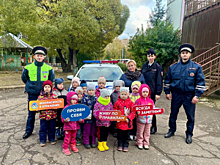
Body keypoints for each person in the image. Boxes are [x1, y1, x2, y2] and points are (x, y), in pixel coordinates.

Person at [164, 43, 205, 144]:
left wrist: (197, 95)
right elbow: (167, 81)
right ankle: (171, 130)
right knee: (173, 114)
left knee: (190, 116)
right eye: (183, 53)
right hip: (176, 94)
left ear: (190, 54)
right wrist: (167, 92)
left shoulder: (196, 67)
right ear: (180, 55)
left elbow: (200, 82)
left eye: (187, 53)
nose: (184, 55)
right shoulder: (173, 67)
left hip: (189, 95)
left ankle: (189, 134)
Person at [21, 46, 55, 139]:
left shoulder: (48, 68)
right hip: (32, 94)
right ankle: (28, 131)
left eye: (41, 56)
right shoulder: (28, 67)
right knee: (31, 113)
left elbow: (51, 80)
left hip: (45, 95)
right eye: (37, 55)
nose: (39, 57)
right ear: (34, 56)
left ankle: (47, 131)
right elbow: (24, 78)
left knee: (47, 113)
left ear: (44, 57)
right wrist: (31, 86)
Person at [141, 48, 163, 134]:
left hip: (152, 92)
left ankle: (153, 126)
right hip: (144, 91)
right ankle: (144, 126)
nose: (150, 57)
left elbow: (159, 81)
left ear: (155, 56)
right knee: (143, 109)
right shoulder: (144, 66)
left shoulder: (157, 67)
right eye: (149, 56)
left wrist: (158, 93)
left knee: (151, 109)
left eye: (152, 56)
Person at [114, 87, 135, 152]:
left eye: (125, 94)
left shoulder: (131, 103)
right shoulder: (117, 102)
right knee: (120, 135)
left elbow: (133, 112)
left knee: (127, 135)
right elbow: (115, 110)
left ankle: (126, 145)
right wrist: (117, 117)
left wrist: (129, 118)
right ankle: (120, 144)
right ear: (120, 94)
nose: (123, 96)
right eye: (122, 94)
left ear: (128, 94)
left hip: (127, 123)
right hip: (120, 123)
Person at [38, 80, 58, 147]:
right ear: (43, 88)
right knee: (43, 129)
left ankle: (51, 139)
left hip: (52, 116)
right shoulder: (40, 97)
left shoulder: (54, 97)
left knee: (52, 128)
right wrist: (37, 110)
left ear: (51, 88)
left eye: (48, 87)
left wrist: (56, 108)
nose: (47, 88)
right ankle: (42, 140)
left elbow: (58, 105)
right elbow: (36, 106)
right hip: (43, 116)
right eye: (45, 87)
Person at [135, 84, 154, 150]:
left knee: (147, 132)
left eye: (146, 92)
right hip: (141, 119)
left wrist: (151, 116)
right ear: (141, 92)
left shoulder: (151, 101)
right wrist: (138, 112)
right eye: (144, 92)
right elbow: (136, 108)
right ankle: (139, 142)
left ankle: (146, 143)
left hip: (148, 120)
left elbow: (153, 109)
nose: (145, 93)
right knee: (140, 131)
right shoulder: (138, 101)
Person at [82, 84, 97, 149]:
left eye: (92, 90)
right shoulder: (84, 99)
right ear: (87, 91)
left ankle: (93, 142)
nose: (91, 92)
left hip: (94, 118)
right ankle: (86, 142)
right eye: (89, 90)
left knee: (93, 131)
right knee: (86, 131)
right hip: (87, 118)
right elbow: (83, 108)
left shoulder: (96, 98)